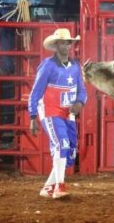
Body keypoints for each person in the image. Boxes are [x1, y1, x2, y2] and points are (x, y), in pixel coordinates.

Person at [28, 28, 87, 199]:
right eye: (62, 42)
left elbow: (82, 90)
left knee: (70, 150)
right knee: (62, 144)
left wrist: (80, 102)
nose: (66, 45)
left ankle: (48, 187)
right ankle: (59, 187)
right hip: (50, 111)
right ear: (56, 45)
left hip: (68, 113)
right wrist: (33, 116)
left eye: (68, 42)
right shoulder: (47, 66)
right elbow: (36, 91)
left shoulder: (76, 65)